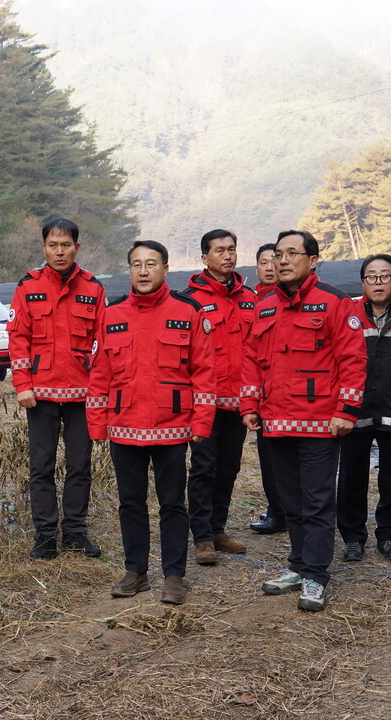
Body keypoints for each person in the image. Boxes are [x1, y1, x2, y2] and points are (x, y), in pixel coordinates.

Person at [240, 230, 366, 612]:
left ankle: (315, 575)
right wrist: (249, 405)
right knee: (289, 502)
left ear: (312, 260)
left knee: (316, 502)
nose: (282, 261)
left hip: (319, 424)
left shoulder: (334, 302)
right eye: (278, 254)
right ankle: (297, 564)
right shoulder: (264, 307)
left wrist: (346, 411)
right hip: (275, 422)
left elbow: (353, 361)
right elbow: (250, 360)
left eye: (292, 253)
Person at [87, 240, 216, 605]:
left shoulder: (188, 311)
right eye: (136, 265)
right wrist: (97, 424)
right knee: (130, 503)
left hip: (172, 427)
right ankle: (136, 571)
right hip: (124, 426)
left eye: (151, 264)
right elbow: (99, 375)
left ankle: (174, 575)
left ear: (165, 269)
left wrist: (201, 423)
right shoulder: (111, 314)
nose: (143, 271)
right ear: (129, 270)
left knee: (173, 503)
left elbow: (204, 373)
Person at [8, 218, 105, 560]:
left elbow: (102, 342)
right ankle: (46, 536)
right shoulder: (28, 286)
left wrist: (100, 389)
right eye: (53, 245)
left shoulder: (94, 288)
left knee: (80, 465)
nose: (59, 251)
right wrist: (22, 384)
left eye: (66, 245)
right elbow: (17, 338)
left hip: (83, 393)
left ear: (77, 248)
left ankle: (76, 533)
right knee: (42, 466)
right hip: (40, 393)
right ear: (44, 247)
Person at [337, 254, 391, 563]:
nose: (378, 282)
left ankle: (388, 536)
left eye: (384, 276)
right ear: (363, 282)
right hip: (354, 408)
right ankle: (352, 538)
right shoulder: (347, 313)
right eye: (371, 277)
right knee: (351, 477)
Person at [183, 229, 251, 563]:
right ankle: (202, 538)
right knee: (203, 468)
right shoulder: (189, 300)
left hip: (238, 401)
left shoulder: (249, 299)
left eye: (232, 249)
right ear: (204, 257)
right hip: (203, 402)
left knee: (229, 467)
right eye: (219, 250)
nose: (227, 255)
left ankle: (218, 527)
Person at [248, 242, 286, 535]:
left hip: (290, 392)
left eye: (274, 261)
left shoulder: (290, 299)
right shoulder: (249, 302)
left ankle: (293, 510)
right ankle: (277, 510)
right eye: (264, 262)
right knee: (269, 458)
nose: (270, 267)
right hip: (261, 394)